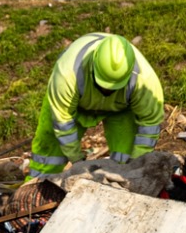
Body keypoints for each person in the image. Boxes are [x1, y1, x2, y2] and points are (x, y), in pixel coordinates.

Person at [28, 33, 164, 178]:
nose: (107, 91)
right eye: (103, 86)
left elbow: (149, 125)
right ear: (92, 67)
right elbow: (63, 122)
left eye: (113, 87)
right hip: (74, 104)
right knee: (49, 153)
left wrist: (134, 167)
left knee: (127, 156)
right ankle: (36, 188)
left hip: (121, 110)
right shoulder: (67, 75)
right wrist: (77, 160)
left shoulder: (145, 81)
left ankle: (119, 190)